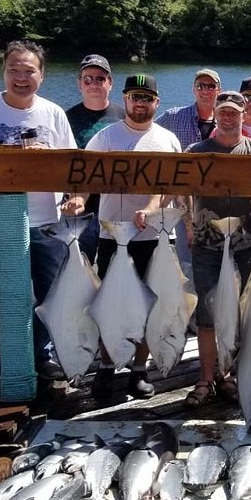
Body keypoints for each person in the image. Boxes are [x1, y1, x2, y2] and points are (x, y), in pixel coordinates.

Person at [0, 40, 80, 382]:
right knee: (9, 300)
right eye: (14, 70)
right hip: (0, 223)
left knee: (52, 298)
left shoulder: (54, 113)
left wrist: (76, 196)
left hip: (47, 224)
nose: (21, 78)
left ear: (41, 75)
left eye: (29, 71)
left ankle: (41, 359)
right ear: (4, 72)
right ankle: (9, 366)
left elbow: (73, 167)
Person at [69, 73, 182, 400]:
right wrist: (79, 199)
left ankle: (138, 369)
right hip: (112, 234)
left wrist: (150, 208)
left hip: (153, 237)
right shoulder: (105, 138)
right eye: (135, 97)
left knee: (150, 305)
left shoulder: (168, 140)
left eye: (147, 98)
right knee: (109, 303)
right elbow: (85, 177)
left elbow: (172, 187)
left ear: (156, 103)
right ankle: (106, 367)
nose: (141, 103)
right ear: (125, 99)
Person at [186, 91, 251, 406]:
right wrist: (187, 223)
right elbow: (179, 188)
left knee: (244, 314)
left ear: (244, 116)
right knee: (207, 314)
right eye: (223, 112)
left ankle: (232, 375)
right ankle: (205, 378)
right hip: (206, 246)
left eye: (234, 113)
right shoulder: (196, 151)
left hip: (245, 246)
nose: (229, 118)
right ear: (215, 114)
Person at [65, 54, 125, 260]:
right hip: (80, 210)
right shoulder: (66, 118)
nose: (93, 84)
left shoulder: (125, 117)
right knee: (81, 266)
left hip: (118, 208)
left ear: (110, 83)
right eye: (87, 79)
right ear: (79, 84)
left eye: (100, 78)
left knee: (114, 267)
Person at [156, 68, 221, 149]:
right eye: (200, 86)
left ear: (219, 91)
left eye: (211, 86)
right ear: (194, 90)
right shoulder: (172, 116)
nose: (205, 91)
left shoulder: (226, 121)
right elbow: (148, 131)